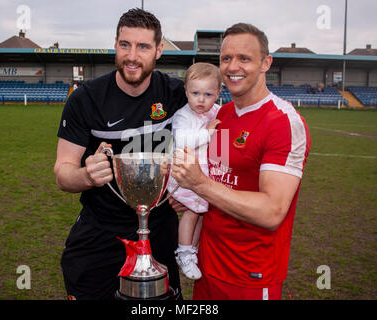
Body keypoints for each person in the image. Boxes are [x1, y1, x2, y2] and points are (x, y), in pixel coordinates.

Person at [53, 8, 187, 300]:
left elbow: (214, 134)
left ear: (159, 50)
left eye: (143, 47)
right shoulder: (85, 99)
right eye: (125, 44)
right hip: (101, 231)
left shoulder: (178, 94)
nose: (132, 56)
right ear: (115, 44)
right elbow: (63, 173)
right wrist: (86, 175)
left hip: (159, 231)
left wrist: (190, 191)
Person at [171, 23, 311, 300]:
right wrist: (186, 193)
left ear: (265, 63)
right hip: (208, 265)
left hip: (250, 275)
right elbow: (216, 173)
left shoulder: (283, 122)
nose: (233, 66)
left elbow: (271, 212)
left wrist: (199, 185)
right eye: (226, 58)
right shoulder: (219, 114)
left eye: (244, 58)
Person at [166, 62, 221, 280]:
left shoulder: (215, 111)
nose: (201, 99)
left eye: (208, 94)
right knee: (192, 212)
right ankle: (184, 251)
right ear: (186, 91)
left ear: (217, 93)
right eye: (195, 93)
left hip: (202, 174)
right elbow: (181, 140)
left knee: (201, 213)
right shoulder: (184, 115)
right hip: (184, 174)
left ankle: (192, 249)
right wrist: (207, 133)